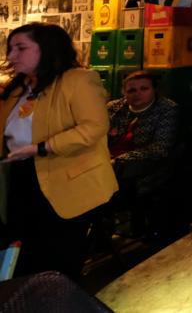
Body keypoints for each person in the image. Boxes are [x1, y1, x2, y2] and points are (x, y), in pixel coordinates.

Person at [0, 23, 117, 278]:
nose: (11, 56)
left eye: (20, 48)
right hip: (21, 176)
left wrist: (42, 147)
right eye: (10, 49)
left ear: (47, 49)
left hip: (67, 182)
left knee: (58, 258)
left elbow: (94, 127)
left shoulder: (78, 80)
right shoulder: (18, 87)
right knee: (24, 253)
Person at [107, 70, 179, 235]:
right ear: (124, 92)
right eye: (131, 90)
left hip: (140, 164)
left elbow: (160, 148)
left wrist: (119, 160)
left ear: (154, 89)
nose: (137, 94)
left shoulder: (167, 109)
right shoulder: (113, 107)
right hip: (106, 159)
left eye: (144, 89)